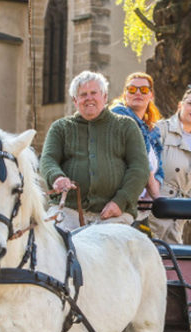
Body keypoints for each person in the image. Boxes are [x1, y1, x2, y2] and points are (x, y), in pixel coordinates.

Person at [40, 70, 149, 231]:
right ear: (75, 100)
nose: (89, 98)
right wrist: (56, 177)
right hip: (69, 211)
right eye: (83, 94)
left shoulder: (126, 126)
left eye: (94, 93)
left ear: (104, 97)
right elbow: (48, 159)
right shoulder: (60, 128)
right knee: (54, 242)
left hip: (113, 213)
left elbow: (139, 168)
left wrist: (120, 201)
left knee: (109, 249)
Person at [148, 85, 191, 243]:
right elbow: (146, 165)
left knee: (173, 260)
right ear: (180, 105)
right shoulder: (161, 129)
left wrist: (188, 210)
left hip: (179, 213)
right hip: (156, 208)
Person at [110, 72, 164, 203]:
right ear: (125, 94)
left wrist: (148, 198)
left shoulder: (153, 130)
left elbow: (159, 169)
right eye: (132, 89)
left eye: (144, 90)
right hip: (118, 198)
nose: (138, 93)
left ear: (151, 95)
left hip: (140, 203)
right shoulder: (119, 115)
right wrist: (156, 197)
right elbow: (140, 158)